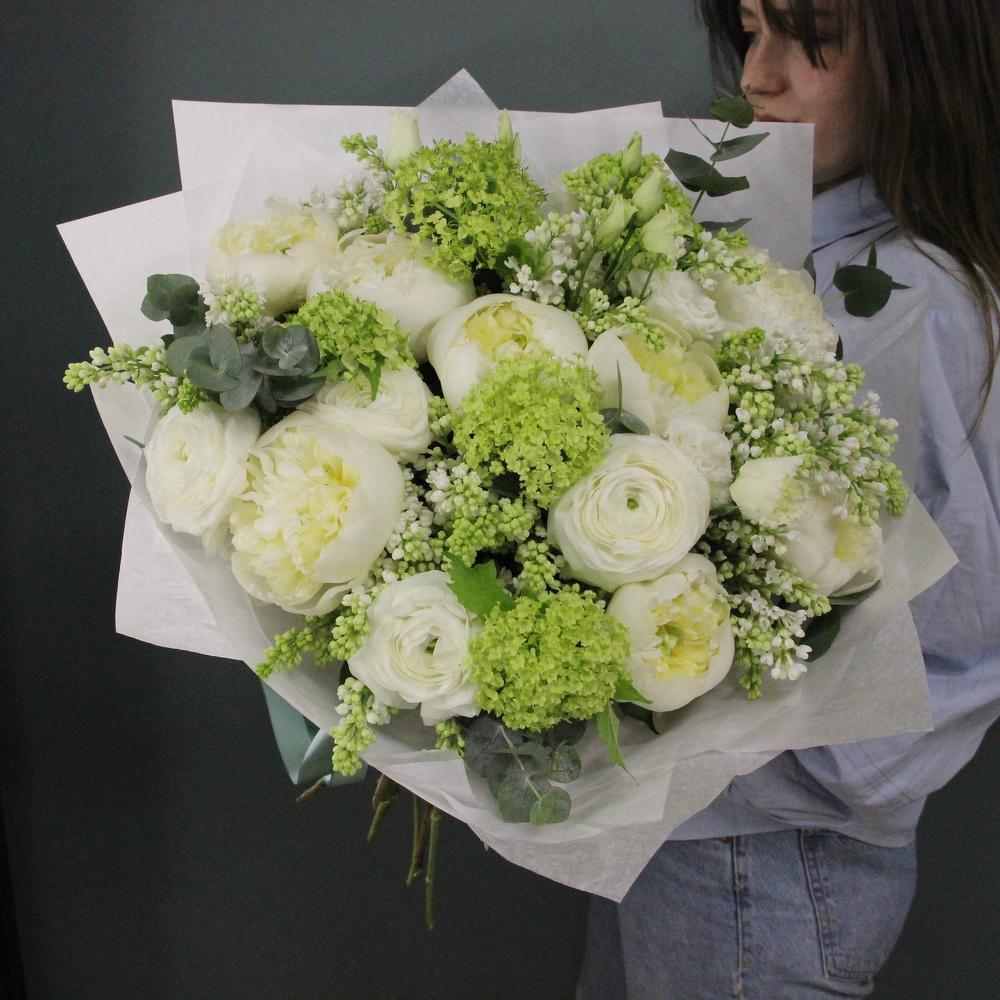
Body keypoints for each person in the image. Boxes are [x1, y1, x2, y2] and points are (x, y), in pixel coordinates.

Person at [577, 1, 1000, 996]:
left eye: (813, 41)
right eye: (751, 30)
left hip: (766, 861)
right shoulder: (781, 240)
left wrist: (775, 765)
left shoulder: (921, 294)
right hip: (686, 830)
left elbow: (968, 628)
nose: (758, 76)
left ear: (918, 67)